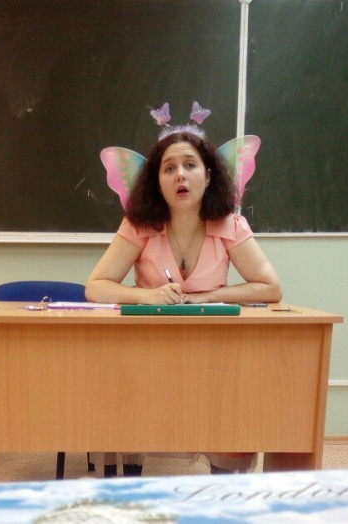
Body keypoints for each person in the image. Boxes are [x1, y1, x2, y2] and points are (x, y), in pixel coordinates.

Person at [86, 127, 283, 476]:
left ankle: (222, 484)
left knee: (234, 400)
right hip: (148, 350)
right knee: (127, 399)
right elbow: (95, 287)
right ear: (157, 182)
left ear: (208, 177)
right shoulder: (139, 226)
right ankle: (131, 484)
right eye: (169, 168)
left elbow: (270, 287)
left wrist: (209, 296)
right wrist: (147, 296)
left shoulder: (230, 226)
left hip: (212, 351)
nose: (180, 175)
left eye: (190, 165)